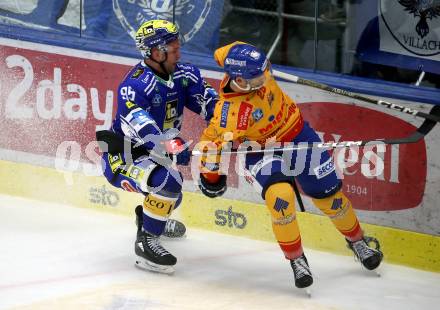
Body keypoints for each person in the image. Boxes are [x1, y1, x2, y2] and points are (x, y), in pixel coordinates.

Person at [196, 41, 383, 289]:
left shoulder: (237, 57)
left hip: (299, 136)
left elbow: (224, 52)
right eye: (258, 79)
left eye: (266, 72)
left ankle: (357, 241)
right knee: (281, 198)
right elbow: (211, 143)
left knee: (331, 199)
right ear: (240, 81)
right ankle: (297, 259)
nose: (266, 80)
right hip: (261, 151)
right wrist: (210, 178)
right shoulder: (229, 115)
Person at [99, 19, 218, 274]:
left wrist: (231, 126)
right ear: (156, 52)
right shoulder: (134, 87)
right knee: (168, 183)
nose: (179, 54)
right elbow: (147, 130)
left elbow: (212, 106)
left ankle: (149, 220)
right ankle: (146, 243)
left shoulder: (185, 74)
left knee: (172, 196)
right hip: (123, 157)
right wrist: (173, 145)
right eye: (174, 50)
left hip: (155, 157)